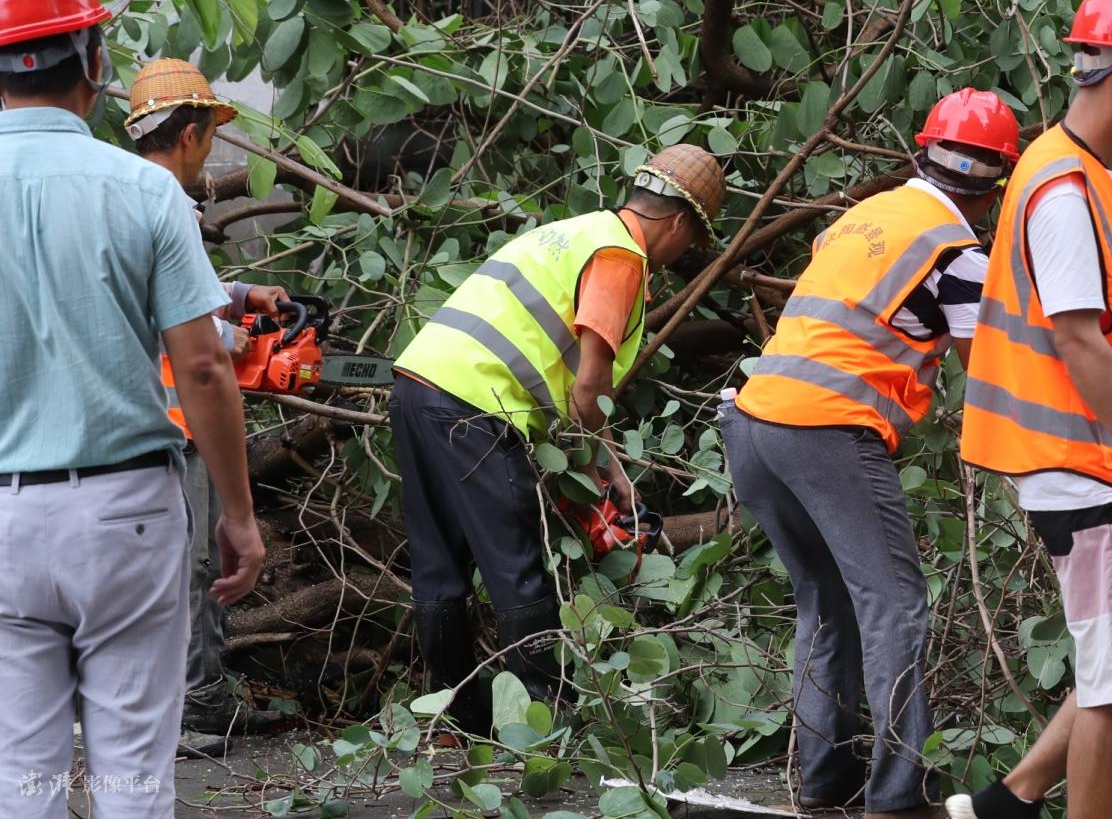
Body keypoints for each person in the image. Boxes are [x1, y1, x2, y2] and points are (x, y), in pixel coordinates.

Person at [0, 0, 265, 819]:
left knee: (20, 777)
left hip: (3, 520)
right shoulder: (145, 191)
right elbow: (203, 364)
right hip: (126, 514)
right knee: (132, 778)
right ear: (95, 61)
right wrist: (237, 514)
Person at [950, 0, 1112, 819]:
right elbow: (1077, 337)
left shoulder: (1091, 174)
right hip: (1089, 466)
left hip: (1110, 465)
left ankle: (1009, 802)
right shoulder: (1064, 188)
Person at [726, 89, 1023, 818]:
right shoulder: (957, 255)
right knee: (893, 606)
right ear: (997, 185)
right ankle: (898, 795)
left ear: (922, 154)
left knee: (826, 603)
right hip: (827, 430)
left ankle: (824, 781)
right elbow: (995, 372)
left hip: (752, 421)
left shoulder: (862, 218)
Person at [387, 143, 726, 734]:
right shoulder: (620, 257)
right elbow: (589, 386)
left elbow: (570, 387)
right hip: (475, 406)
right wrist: (604, 476)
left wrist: (599, 466)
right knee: (516, 569)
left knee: (439, 568)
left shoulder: (578, 232)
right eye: (691, 241)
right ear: (678, 224)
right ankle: (544, 725)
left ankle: (458, 722)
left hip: (419, 387)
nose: (683, 254)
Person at [125, 58, 294, 750]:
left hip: (155, 419)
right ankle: (194, 705)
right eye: (211, 133)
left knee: (193, 562)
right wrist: (231, 336)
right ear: (191, 134)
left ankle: (205, 694)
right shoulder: (162, 203)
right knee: (193, 564)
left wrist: (245, 294)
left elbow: (177, 286)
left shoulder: (130, 197)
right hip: (172, 416)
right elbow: (164, 314)